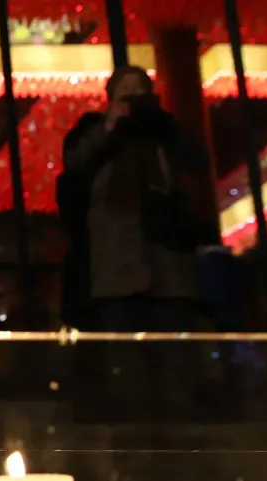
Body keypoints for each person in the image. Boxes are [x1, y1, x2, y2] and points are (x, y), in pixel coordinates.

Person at [63, 67, 209, 418]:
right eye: (123, 94)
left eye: (138, 92)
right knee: (127, 370)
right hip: (117, 267)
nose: (132, 101)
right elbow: (76, 164)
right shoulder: (94, 130)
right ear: (109, 99)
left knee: (176, 366)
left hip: (169, 264)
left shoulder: (163, 131)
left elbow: (197, 161)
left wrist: (160, 122)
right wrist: (110, 125)